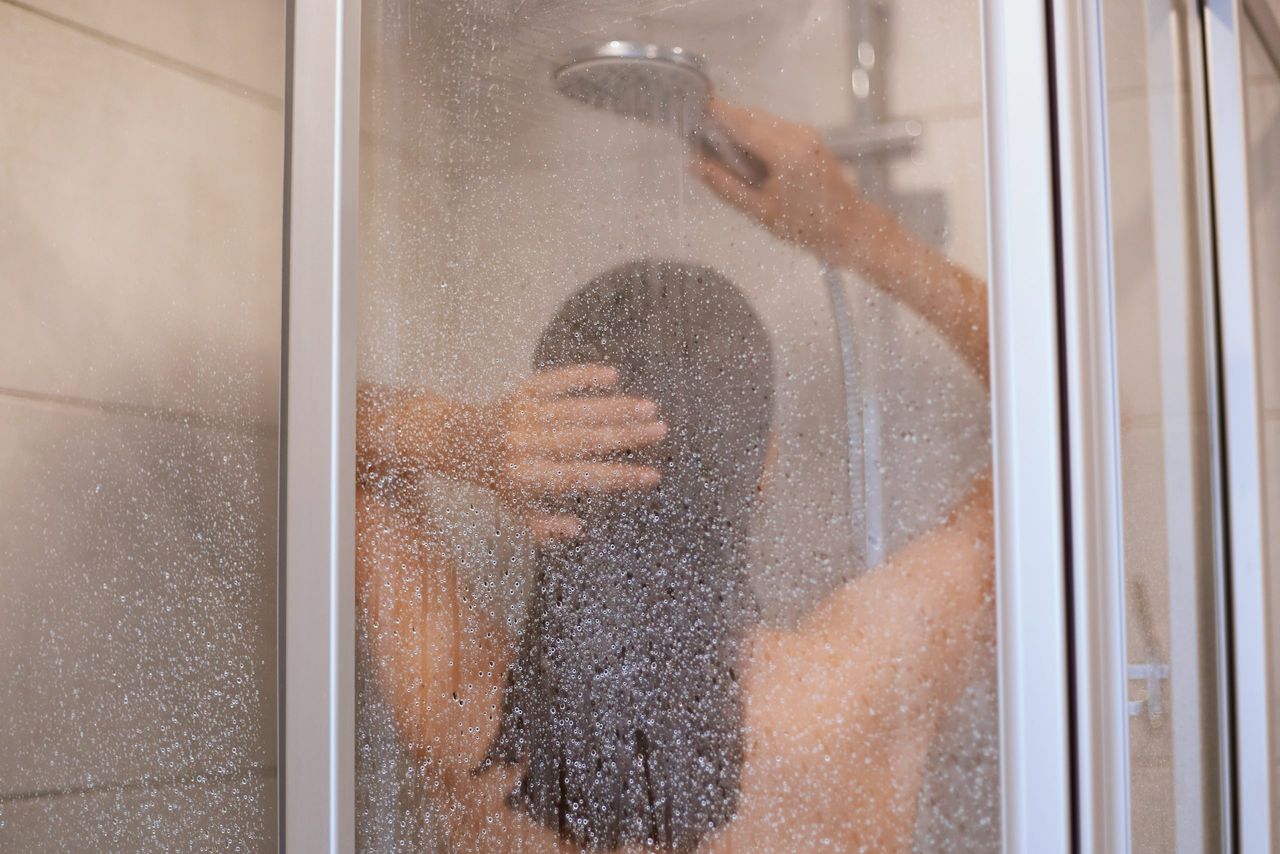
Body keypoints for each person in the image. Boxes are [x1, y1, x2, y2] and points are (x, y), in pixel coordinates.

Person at [355, 100, 994, 851]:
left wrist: (469, 440)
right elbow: (1059, 420)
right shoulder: (852, 696)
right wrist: (849, 228)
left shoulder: (465, 715)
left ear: (545, 465)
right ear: (764, 465)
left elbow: (327, 435)